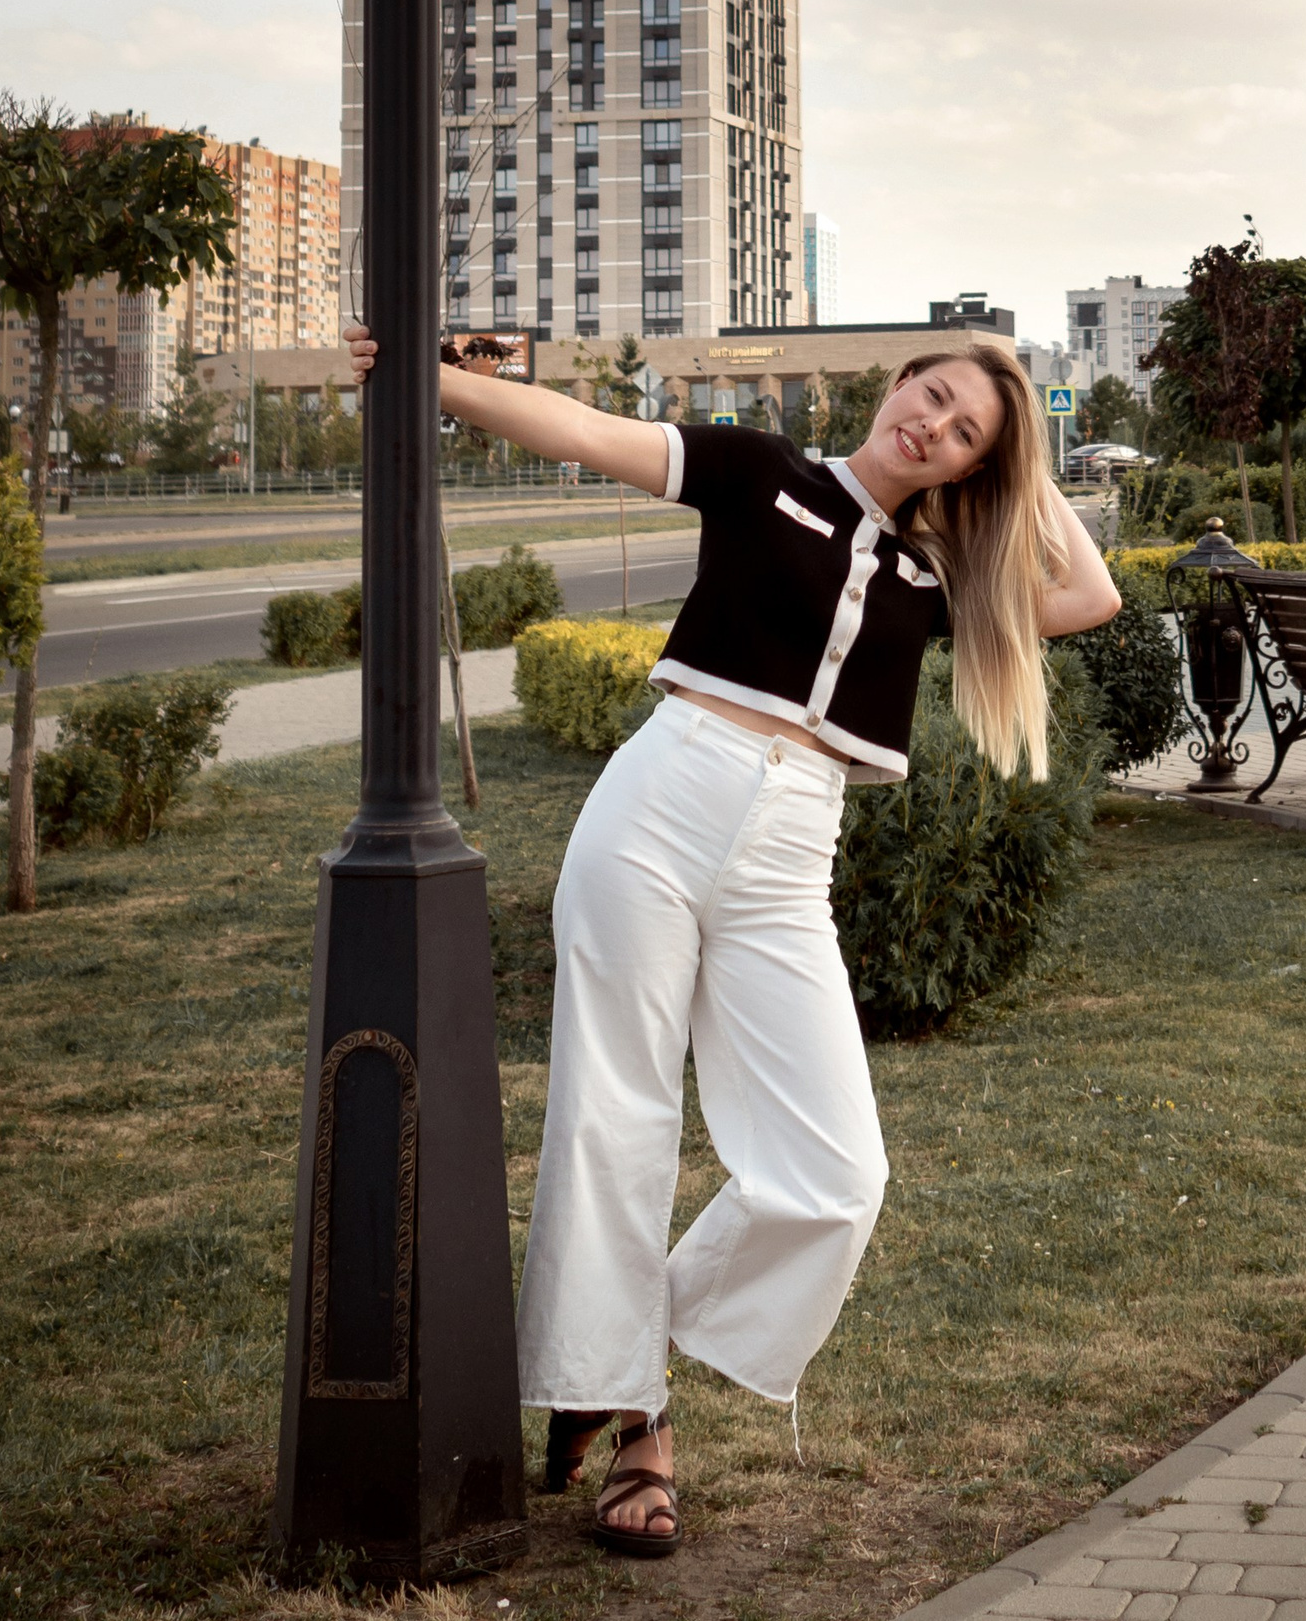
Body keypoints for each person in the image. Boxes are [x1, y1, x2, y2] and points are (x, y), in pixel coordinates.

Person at [343, 321, 1119, 1558]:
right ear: (895, 381)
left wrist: (1028, 467)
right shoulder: (761, 469)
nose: (933, 423)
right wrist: (426, 377)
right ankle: (638, 1426)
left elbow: (1089, 592)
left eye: (965, 429)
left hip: (788, 859)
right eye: (932, 393)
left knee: (837, 1174)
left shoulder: (937, 579)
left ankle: (625, 1337)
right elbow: (593, 433)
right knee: (618, 1114)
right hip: (660, 804)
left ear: (974, 465)